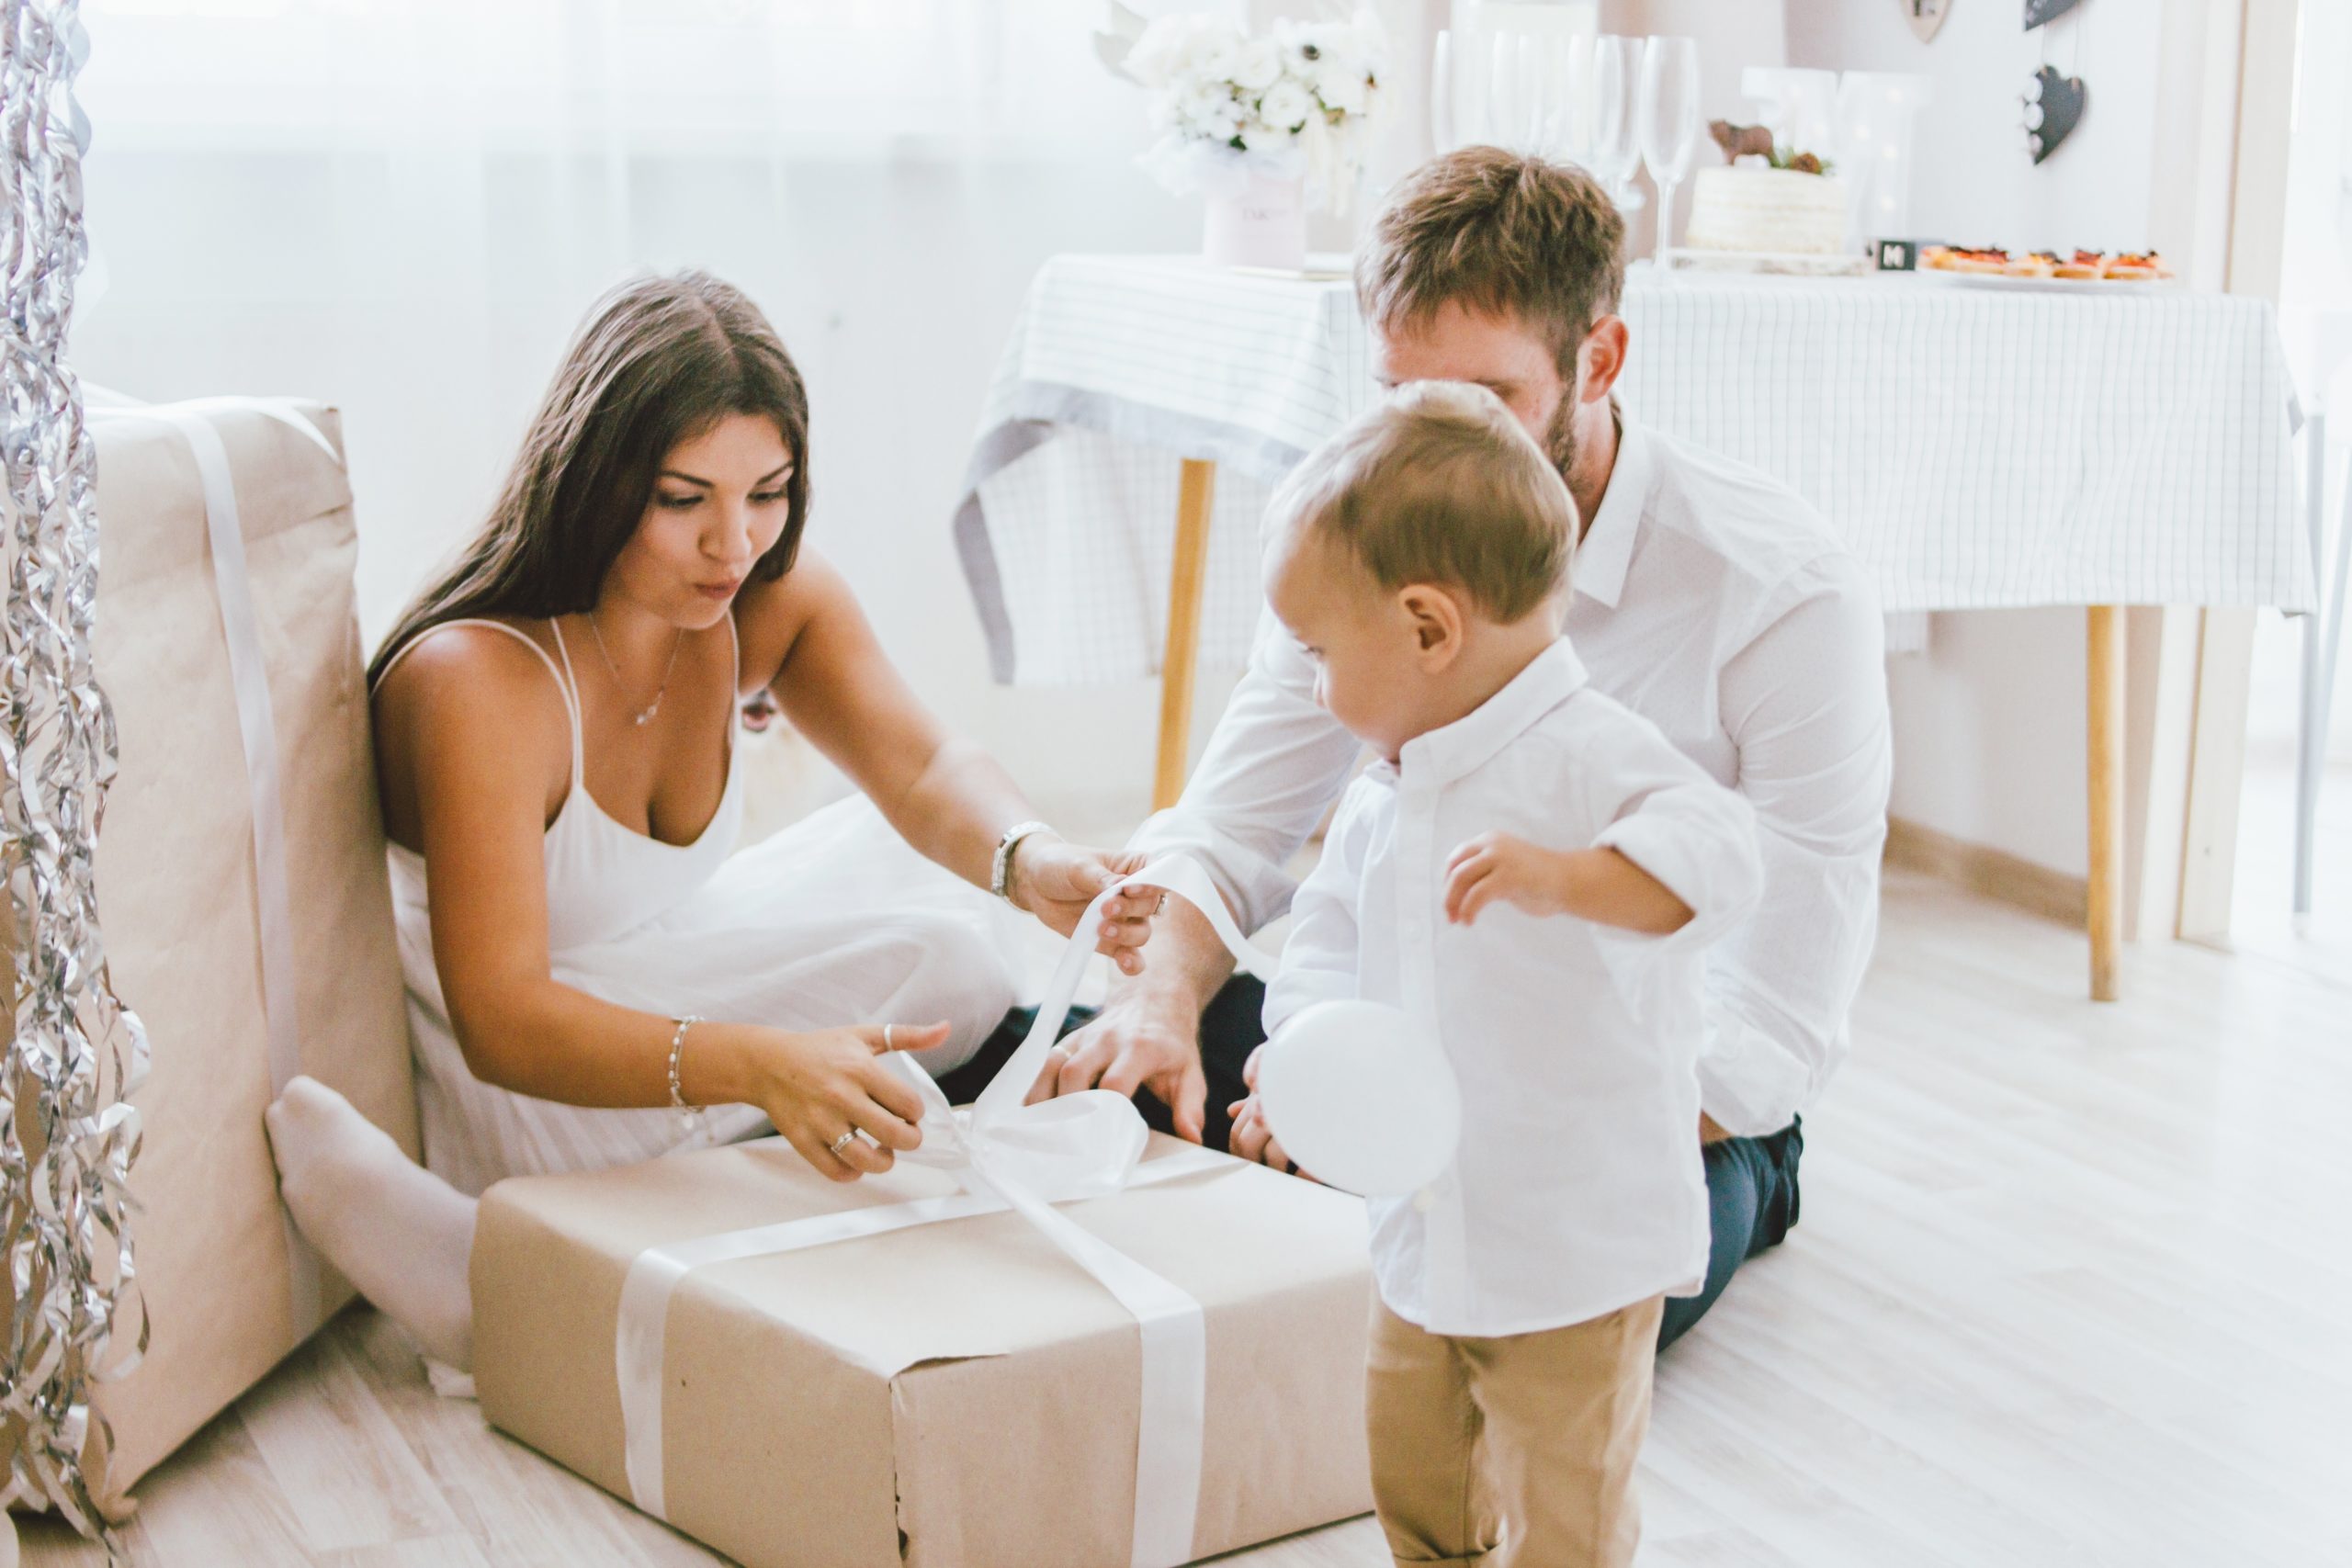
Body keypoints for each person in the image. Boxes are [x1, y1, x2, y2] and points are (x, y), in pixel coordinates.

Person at [1040, 147, 1893, 1348]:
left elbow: (1770, 1026)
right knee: (1109, 1055)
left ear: (1597, 360)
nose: (1436, 441)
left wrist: (1438, 1122)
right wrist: (1166, 999)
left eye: (1487, 399)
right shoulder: (1364, 528)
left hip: (1653, 1103)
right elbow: (1234, 827)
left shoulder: (1779, 593)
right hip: (1400, 1031)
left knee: (1569, 1300)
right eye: (1402, 395)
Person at [264, 270, 1159, 1376]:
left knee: (954, 949)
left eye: (767, 493)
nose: (731, 545)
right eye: (683, 500)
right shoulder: (482, 680)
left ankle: (601, 1240)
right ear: (592, 479)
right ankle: (496, 1256)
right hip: (525, 1049)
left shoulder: (770, 599)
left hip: (656, 955)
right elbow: (503, 1017)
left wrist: (1033, 858)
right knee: (923, 978)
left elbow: (922, 764)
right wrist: (759, 1064)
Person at [1245, 381, 1759, 1567]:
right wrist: (1302, 1050)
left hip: (1573, 1238)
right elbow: (1325, 936)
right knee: (1413, 1461)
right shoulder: (1387, 793)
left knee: (1559, 1499)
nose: (1313, 683)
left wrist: (1575, 878)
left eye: (1321, 651)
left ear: (1428, 628)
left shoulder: (1596, 755)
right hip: (1428, 1223)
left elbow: (1720, 858)